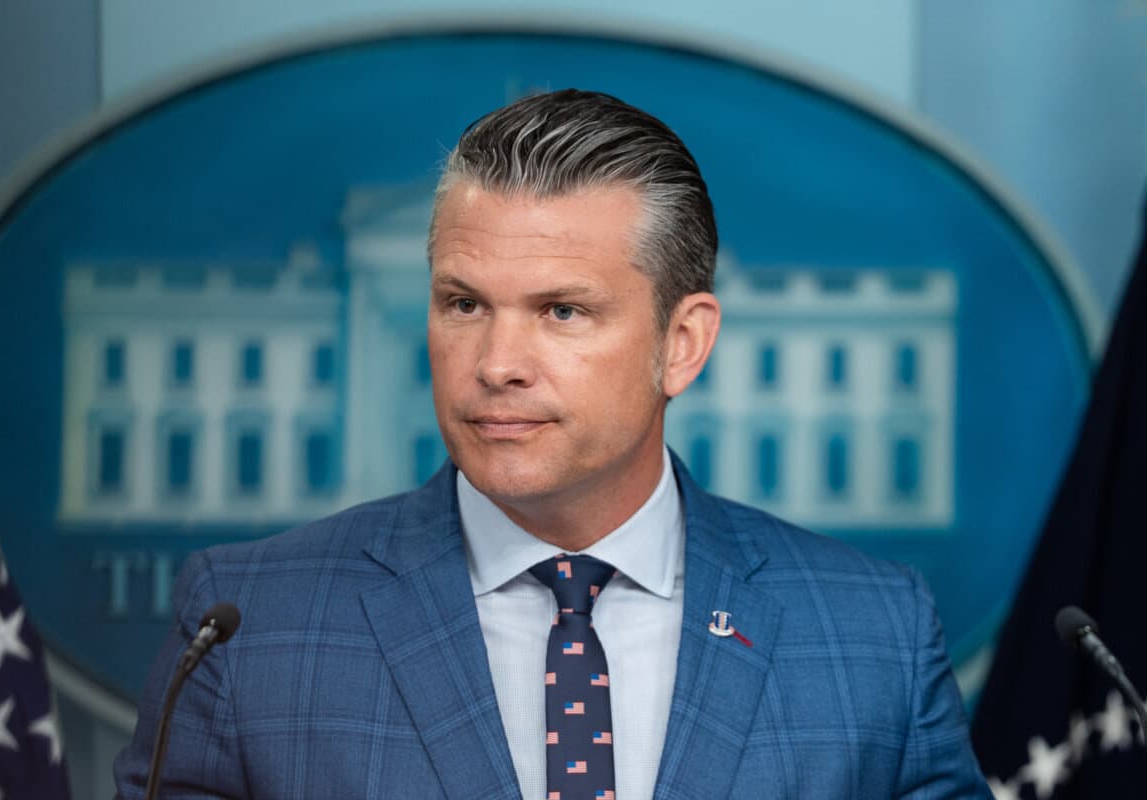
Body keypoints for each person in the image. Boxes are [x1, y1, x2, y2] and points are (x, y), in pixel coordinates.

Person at [114, 89, 991, 799]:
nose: (497, 364)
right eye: (463, 305)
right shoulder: (247, 629)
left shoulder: (873, 636)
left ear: (680, 344)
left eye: (562, 312)